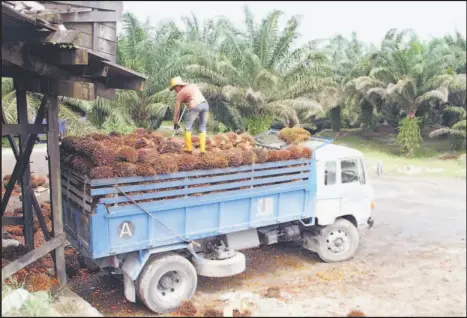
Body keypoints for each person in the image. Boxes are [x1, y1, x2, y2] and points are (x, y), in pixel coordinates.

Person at [169, 76, 209, 153]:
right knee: (203, 127)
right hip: (205, 105)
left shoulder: (180, 93)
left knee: (188, 127)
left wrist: (175, 123)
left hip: (195, 106)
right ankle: (202, 150)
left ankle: (189, 148)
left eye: (174, 88)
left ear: (178, 86)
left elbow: (177, 110)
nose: (175, 90)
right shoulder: (192, 86)